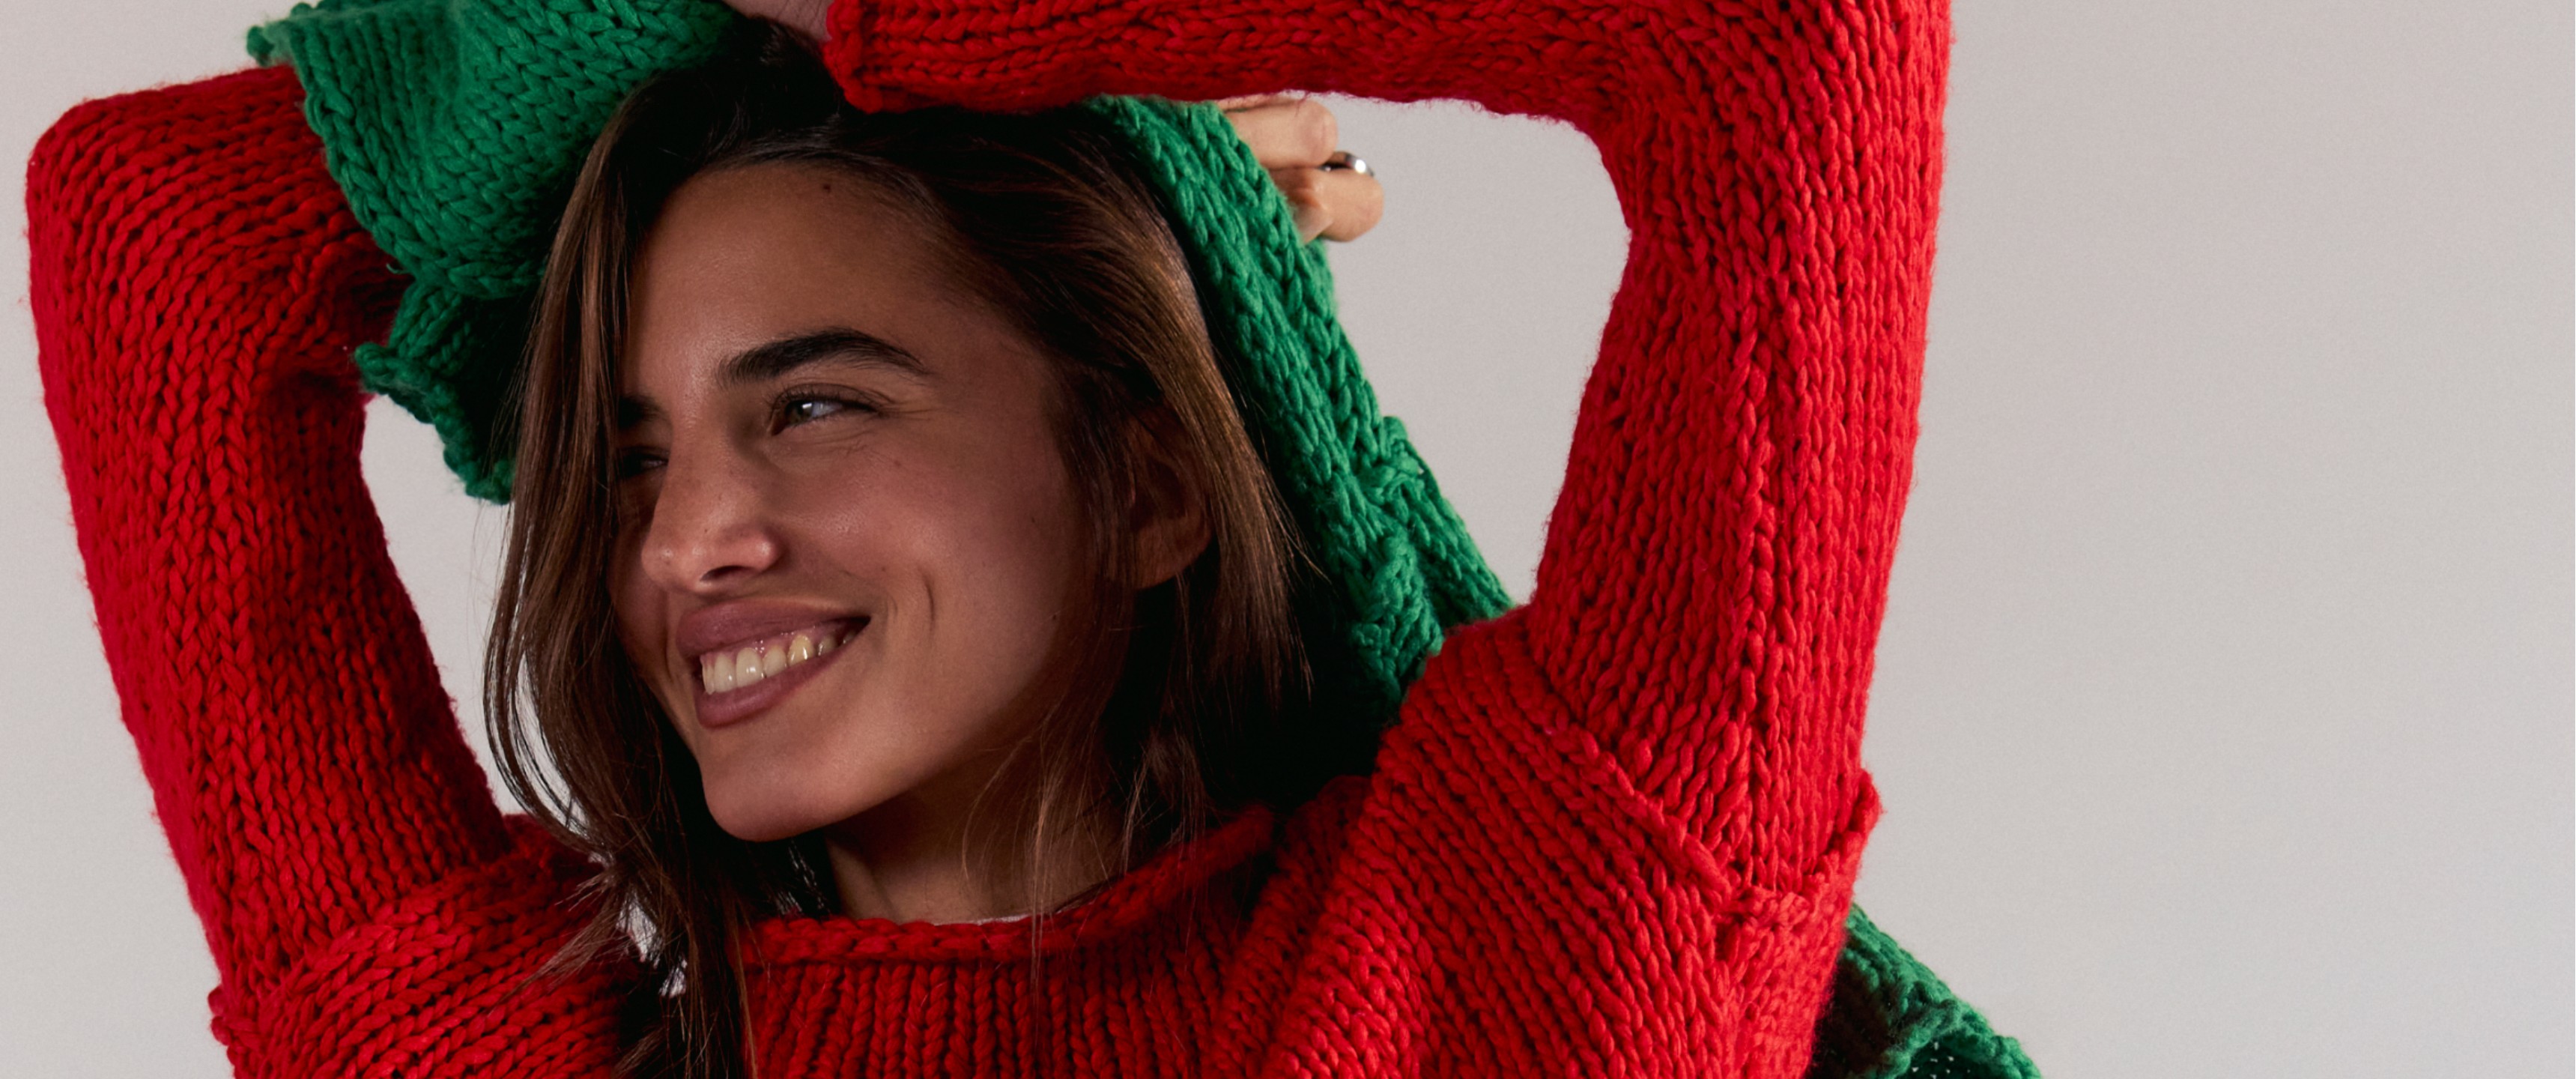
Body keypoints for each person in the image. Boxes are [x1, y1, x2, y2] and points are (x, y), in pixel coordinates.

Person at [27, 0, 2016, 1077]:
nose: (688, 539)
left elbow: (1783, 37)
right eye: (630, 455)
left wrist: (924, 22)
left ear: (1149, 473)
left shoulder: (1526, 966)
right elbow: (152, 236)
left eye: (814, 403)